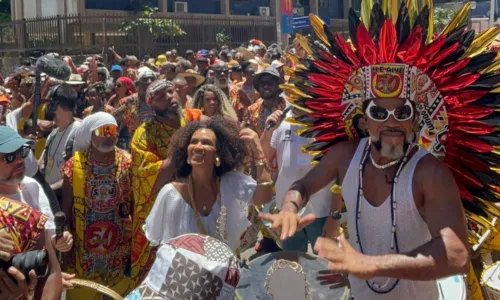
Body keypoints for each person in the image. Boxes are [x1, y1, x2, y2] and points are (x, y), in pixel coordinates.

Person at [258, 8, 486, 299]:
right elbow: (304, 185)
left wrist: (370, 265)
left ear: (415, 122)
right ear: (365, 122)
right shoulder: (345, 156)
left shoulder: (430, 173)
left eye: (402, 112)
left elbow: (456, 255)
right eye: (379, 112)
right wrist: (290, 206)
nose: (391, 121)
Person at [144, 116, 273, 251]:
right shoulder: (170, 195)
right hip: (186, 271)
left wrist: (258, 151)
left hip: (225, 270)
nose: (198, 147)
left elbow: (264, 197)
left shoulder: (229, 182)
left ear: (218, 154)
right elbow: (158, 246)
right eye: (193, 142)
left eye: (206, 143)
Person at [129, 79, 203, 285]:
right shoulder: (143, 135)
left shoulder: (194, 119)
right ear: (152, 104)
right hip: (165, 212)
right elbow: (148, 176)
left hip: (199, 204)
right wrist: (183, 146)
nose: (169, 97)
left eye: (170, 92)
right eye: (161, 96)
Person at [61, 113, 132, 299]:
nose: (109, 136)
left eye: (113, 130)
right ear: (89, 135)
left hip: (118, 255)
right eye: (103, 131)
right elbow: (66, 209)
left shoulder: (129, 163)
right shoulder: (73, 165)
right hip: (82, 255)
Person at [260, 106, 339, 251]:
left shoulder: (328, 122)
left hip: (321, 212)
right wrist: (269, 129)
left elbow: (339, 173)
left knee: (326, 266)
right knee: (292, 264)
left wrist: (334, 215)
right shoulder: (281, 122)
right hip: (287, 211)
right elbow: (263, 156)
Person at [0, 126, 64, 299]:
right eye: (9, 156)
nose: (19, 160)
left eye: (22, 152)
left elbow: (51, 268)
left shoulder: (32, 189)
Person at [41, 84, 81, 197]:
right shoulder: (53, 134)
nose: (45, 105)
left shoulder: (78, 134)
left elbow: (76, 176)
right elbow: (42, 164)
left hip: (65, 202)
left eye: (48, 101)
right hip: (50, 200)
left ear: (55, 105)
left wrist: (47, 191)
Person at [112, 67, 156, 138]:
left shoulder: (161, 100)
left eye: (152, 79)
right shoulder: (127, 101)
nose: (149, 81)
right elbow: (113, 120)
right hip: (134, 143)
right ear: (138, 84)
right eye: (145, 79)